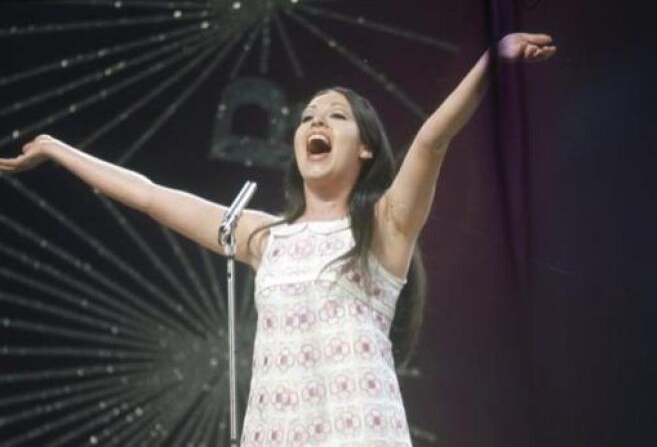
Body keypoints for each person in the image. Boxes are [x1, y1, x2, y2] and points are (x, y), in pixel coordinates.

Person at [0, 33, 555, 445]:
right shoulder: (265, 237)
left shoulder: (385, 226)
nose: (316, 122)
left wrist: (493, 60)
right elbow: (148, 194)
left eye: (336, 116)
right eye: (308, 116)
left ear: (364, 148)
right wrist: (54, 148)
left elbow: (432, 140)